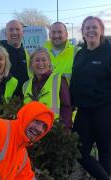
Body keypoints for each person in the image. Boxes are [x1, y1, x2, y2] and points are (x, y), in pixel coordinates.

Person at [70, 16, 111, 180]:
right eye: (87, 28)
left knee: (105, 151)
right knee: (78, 151)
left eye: (94, 27)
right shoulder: (80, 54)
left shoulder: (109, 52)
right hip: (83, 110)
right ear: (83, 32)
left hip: (105, 109)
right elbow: (75, 81)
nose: (91, 30)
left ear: (101, 30)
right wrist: (70, 104)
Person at [23, 48, 72, 129]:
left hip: (54, 131)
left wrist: (63, 131)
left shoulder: (59, 80)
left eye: (44, 60)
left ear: (49, 62)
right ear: (31, 63)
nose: (40, 63)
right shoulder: (26, 85)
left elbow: (66, 108)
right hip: (31, 132)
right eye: (37, 60)